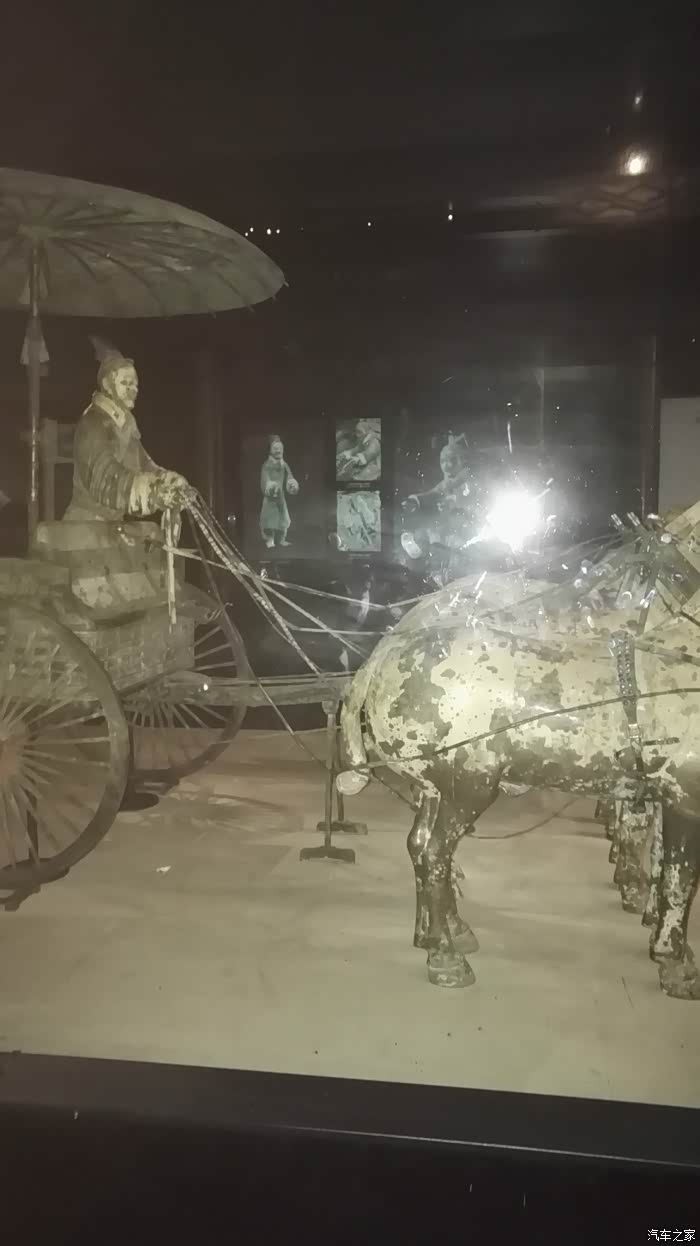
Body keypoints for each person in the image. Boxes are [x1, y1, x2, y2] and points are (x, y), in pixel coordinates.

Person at [64, 336, 192, 524]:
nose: (133, 389)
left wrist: (167, 481)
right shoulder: (92, 423)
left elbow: (144, 465)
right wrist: (150, 492)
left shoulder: (125, 425)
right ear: (107, 385)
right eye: (125, 383)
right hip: (85, 526)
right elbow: (104, 478)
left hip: (112, 526)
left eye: (135, 384)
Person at [259, 436, 299, 548]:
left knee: (283, 519)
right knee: (269, 520)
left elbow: (289, 476)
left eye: (280, 448)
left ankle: (281, 539)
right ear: (270, 450)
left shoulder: (284, 465)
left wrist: (291, 483)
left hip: (280, 498)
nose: (278, 451)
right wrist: (270, 486)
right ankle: (269, 539)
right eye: (275, 448)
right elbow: (265, 479)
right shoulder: (266, 466)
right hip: (270, 499)